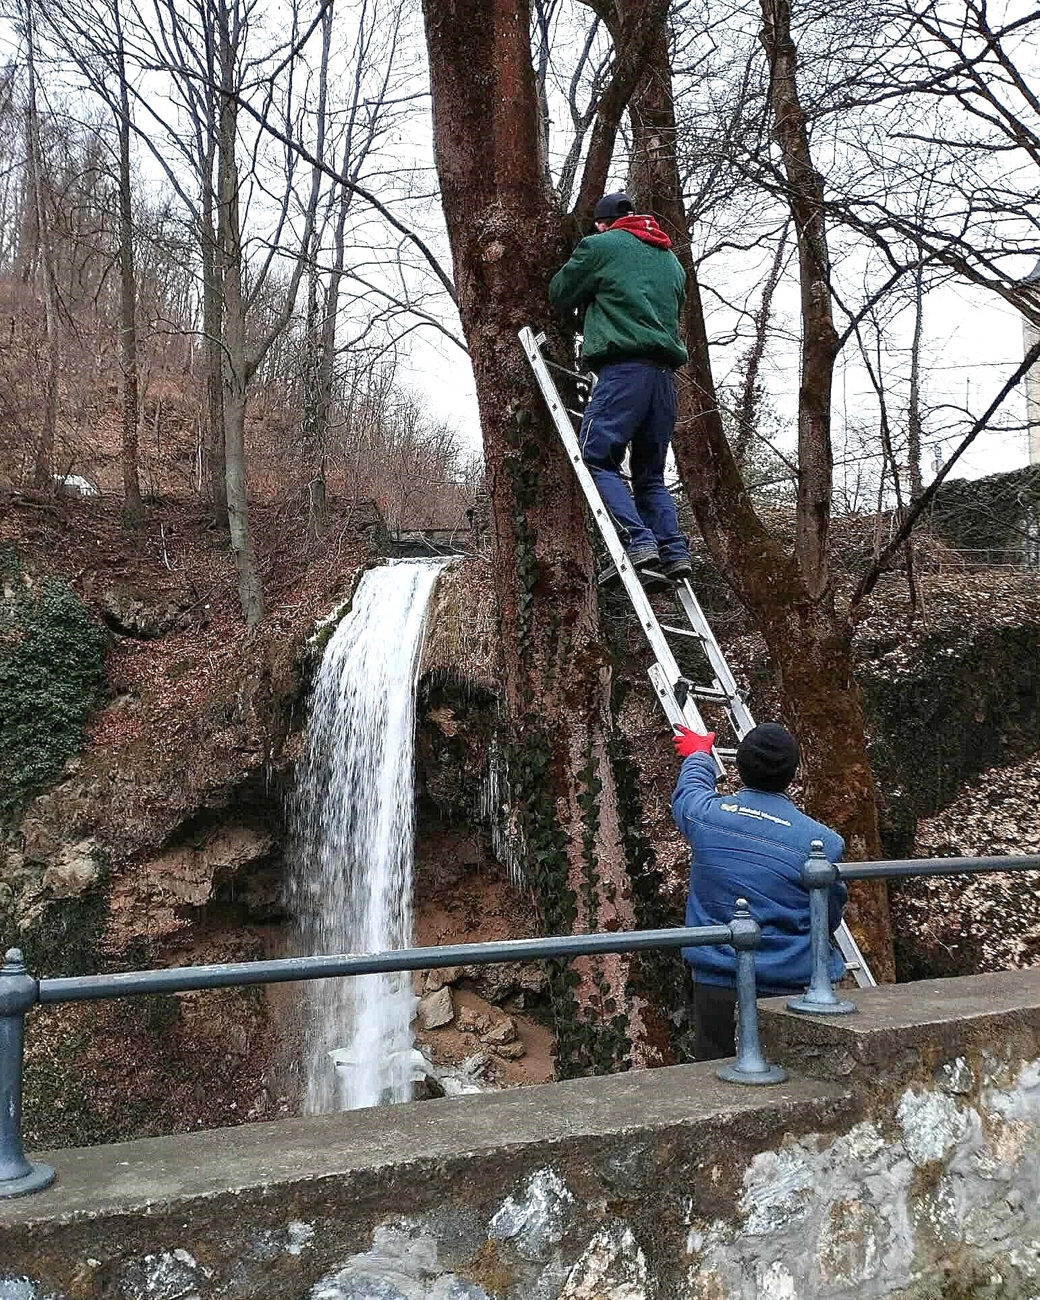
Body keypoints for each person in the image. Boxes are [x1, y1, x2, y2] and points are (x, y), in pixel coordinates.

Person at [670, 721, 848, 1061]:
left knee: (717, 1079)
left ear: (738, 766)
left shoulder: (706, 817)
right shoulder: (822, 842)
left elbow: (690, 790)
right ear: (793, 773)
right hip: (793, 987)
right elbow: (828, 916)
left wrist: (698, 755)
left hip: (716, 982)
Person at [549, 191, 693, 584]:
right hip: (664, 379)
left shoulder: (601, 245)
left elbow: (559, 293)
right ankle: (673, 550)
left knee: (595, 458)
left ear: (602, 223)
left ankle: (638, 541)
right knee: (649, 475)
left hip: (623, 371)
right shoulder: (671, 261)